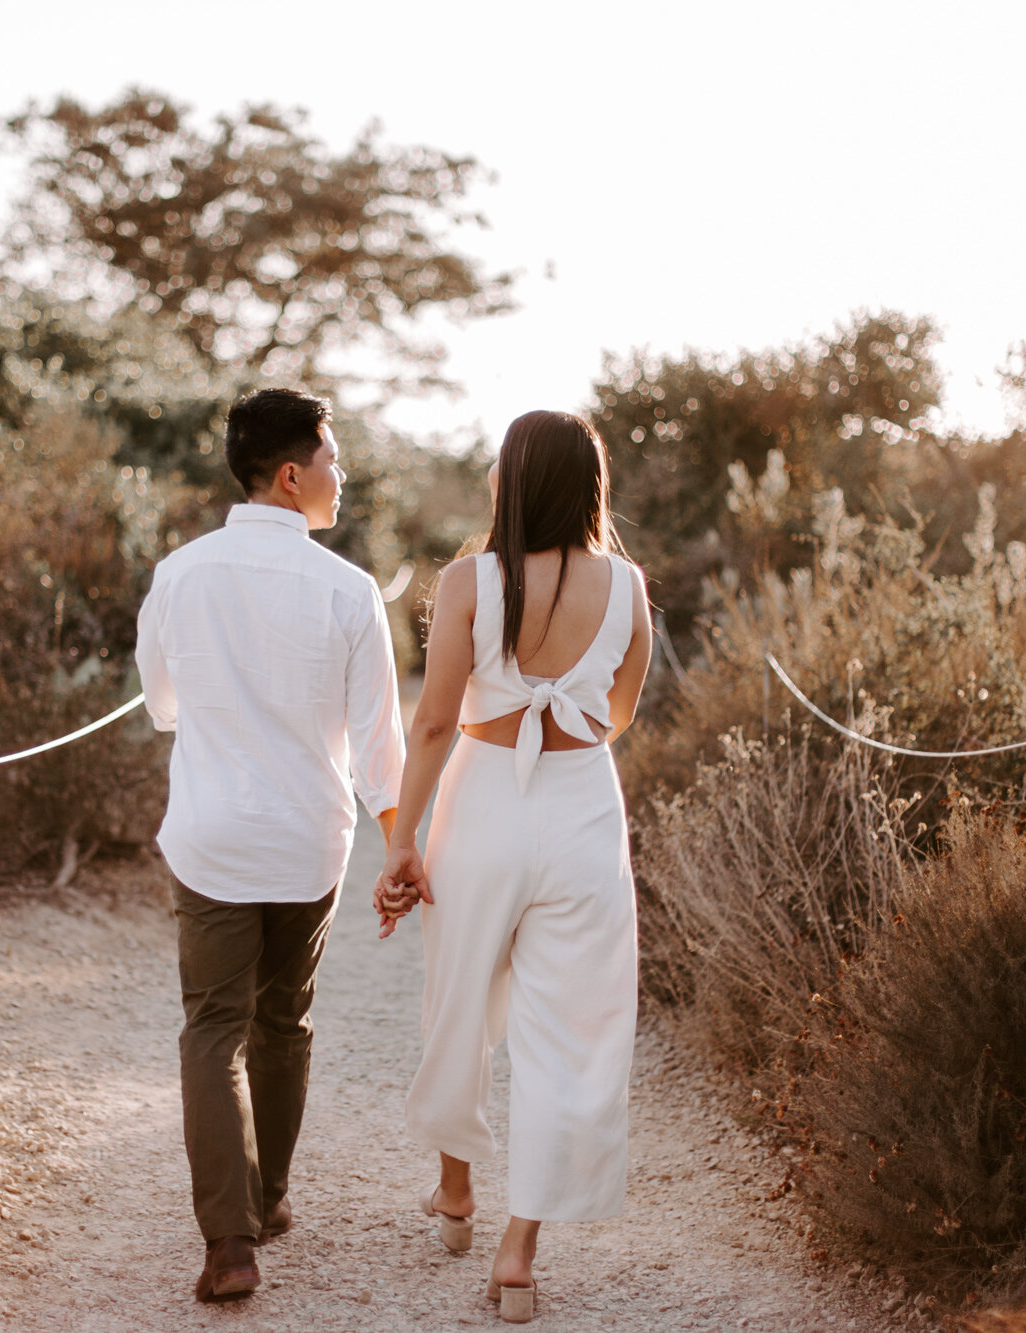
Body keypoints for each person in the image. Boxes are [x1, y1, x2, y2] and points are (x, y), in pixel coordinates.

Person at [374, 409, 650, 1324]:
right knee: (568, 1030)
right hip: (581, 808)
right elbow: (617, 714)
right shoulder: (629, 587)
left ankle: (455, 1189)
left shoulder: (469, 579)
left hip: (484, 799)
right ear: (590, 484)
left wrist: (401, 839)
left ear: (511, 478)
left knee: (459, 998)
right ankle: (519, 1251)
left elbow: (431, 722)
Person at [134, 388, 405, 1304]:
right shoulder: (349, 590)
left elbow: (163, 705)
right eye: (333, 461)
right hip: (306, 838)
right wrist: (401, 846)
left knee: (213, 1028)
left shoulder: (179, 572)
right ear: (292, 476)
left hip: (210, 836)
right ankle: (271, 1194)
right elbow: (379, 749)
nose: (342, 476)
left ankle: (230, 1243)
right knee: (282, 1019)